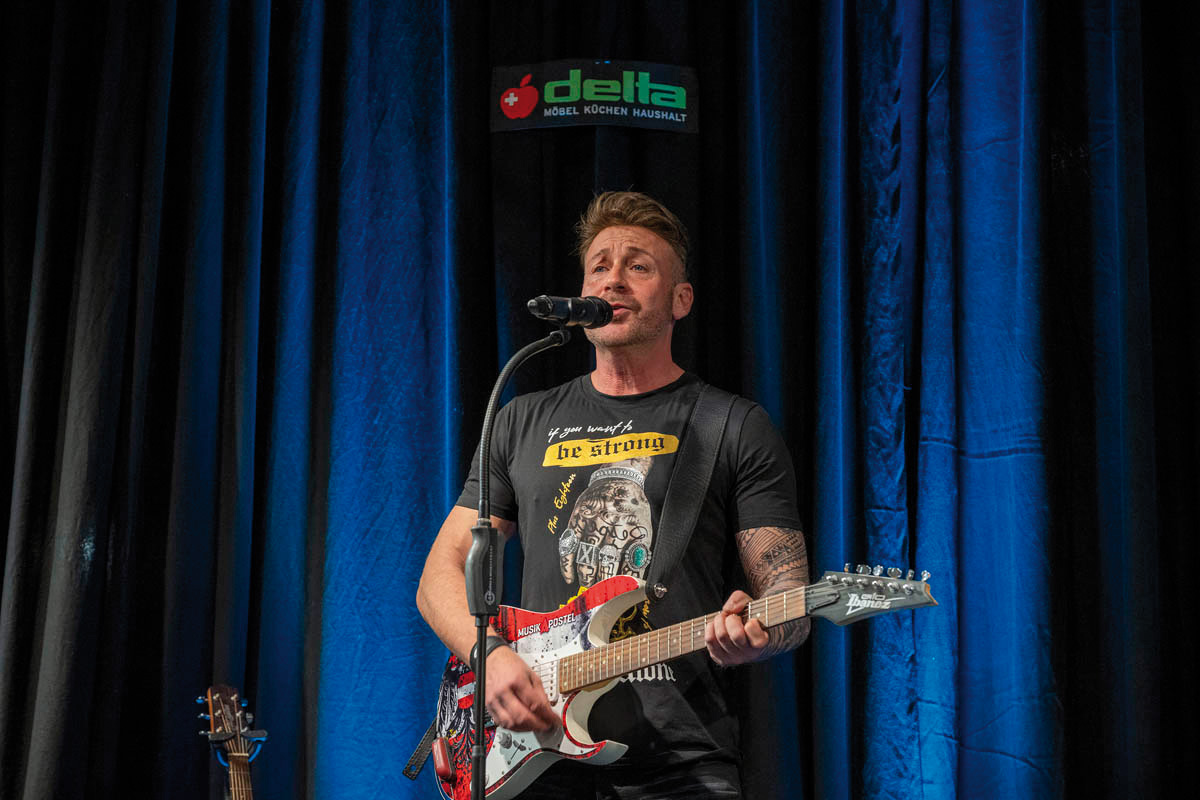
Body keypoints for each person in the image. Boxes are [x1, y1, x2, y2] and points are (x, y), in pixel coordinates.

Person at [416, 191, 810, 798]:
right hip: (535, 757)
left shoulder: (731, 425)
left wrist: (758, 635)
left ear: (681, 299)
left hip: (680, 764)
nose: (614, 279)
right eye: (599, 266)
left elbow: (789, 598)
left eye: (639, 266)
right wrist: (489, 654)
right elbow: (439, 574)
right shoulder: (522, 419)